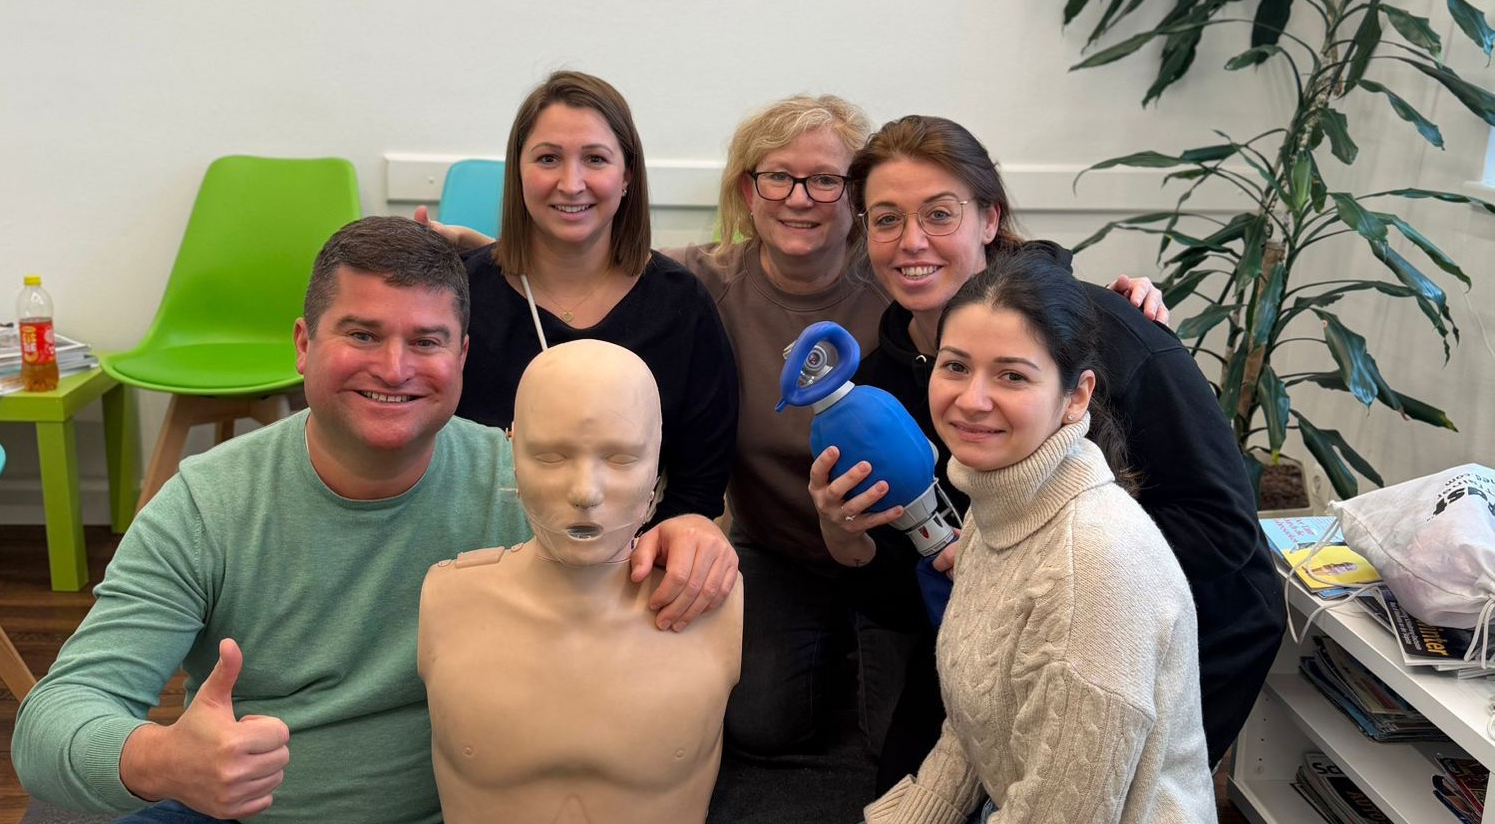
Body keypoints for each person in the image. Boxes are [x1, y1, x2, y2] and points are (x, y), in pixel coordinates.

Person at [0, 216, 736, 824]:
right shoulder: (208, 502)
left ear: (464, 355)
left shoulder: (537, 483)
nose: (396, 366)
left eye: (426, 340)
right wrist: (160, 759)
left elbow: (648, 537)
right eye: (362, 334)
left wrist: (693, 535)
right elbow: (52, 720)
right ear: (303, 344)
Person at [423, 93, 1170, 764]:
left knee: (907, 737)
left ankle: (868, 653)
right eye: (774, 177)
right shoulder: (707, 279)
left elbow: (1000, 278)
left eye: (825, 180)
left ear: (857, 197)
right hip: (777, 546)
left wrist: (1107, 295)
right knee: (763, 723)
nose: (798, 198)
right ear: (747, 192)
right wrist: (468, 250)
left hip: (905, 555)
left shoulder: (902, 278)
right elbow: (592, 260)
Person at [754, 251, 1274, 824]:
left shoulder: (1093, 563)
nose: (972, 398)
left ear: (1076, 396)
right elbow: (972, 715)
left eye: (1012, 375)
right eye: (956, 367)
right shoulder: (998, 501)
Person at [809, 115, 1286, 787]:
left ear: (989, 219)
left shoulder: (1113, 334)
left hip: (1177, 629)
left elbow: (1222, 529)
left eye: (939, 214)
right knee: (904, 810)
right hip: (999, 638)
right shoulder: (884, 386)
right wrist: (847, 538)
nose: (911, 241)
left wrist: (1018, 564)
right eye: (886, 219)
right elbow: (901, 599)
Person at [421, 340, 743, 824]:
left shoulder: (715, 605)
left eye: (621, 458)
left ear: (658, 456)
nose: (585, 491)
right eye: (551, 455)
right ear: (510, 448)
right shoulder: (448, 598)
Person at [451, 69, 739, 526]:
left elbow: (700, 484)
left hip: (630, 569)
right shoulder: (462, 295)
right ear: (518, 172)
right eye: (547, 158)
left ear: (627, 176)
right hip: (479, 560)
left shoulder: (680, 305)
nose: (571, 182)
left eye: (596, 159)